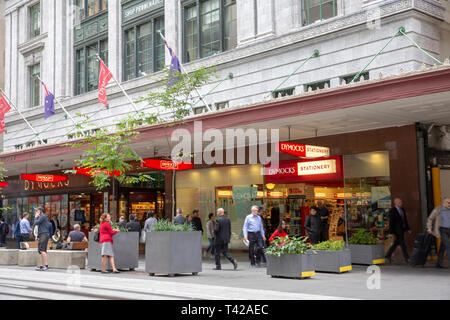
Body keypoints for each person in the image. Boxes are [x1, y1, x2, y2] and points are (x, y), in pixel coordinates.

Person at [385, 198, 411, 264]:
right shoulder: (392, 211)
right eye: (399, 202)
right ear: (395, 203)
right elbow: (391, 222)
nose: (401, 203)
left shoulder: (402, 210)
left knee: (396, 243)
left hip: (402, 229)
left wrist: (408, 229)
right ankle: (407, 258)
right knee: (403, 244)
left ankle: (387, 255)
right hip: (396, 230)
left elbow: (404, 220)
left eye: (401, 202)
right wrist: (390, 232)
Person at [427, 197, 450, 268]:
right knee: (448, 246)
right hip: (442, 230)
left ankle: (439, 263)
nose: (449, 204)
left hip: (449, 229)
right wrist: (429, 228)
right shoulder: (438, 209)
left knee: (443, 247)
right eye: (448, 202)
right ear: (444, 203)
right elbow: (430, 218)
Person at [34, 207, 51, 271]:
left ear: (40, 211)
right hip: (43, 234)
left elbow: (36, 223)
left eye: (37, 210)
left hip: (43, 234)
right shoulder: (43, 217)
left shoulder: (42, 216)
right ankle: (44, 264)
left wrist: (35, 217)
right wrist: (38, 236)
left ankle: (45, 265)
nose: (36, 211)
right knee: (43, 250)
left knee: (42, 250)